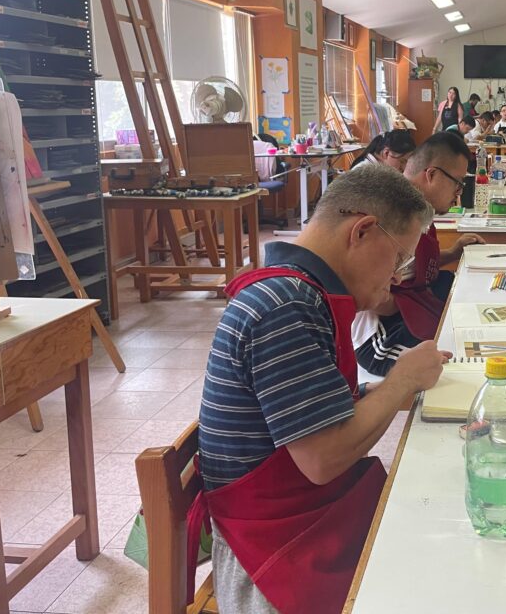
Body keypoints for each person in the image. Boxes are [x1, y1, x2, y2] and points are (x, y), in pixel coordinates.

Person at [196, 166, 448, 614]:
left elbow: (318, 415)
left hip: (303, 519)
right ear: (362, 231)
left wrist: (386, 391)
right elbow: (322, 460)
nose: (397, 278)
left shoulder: (302, 292)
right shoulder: (285, 306)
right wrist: (402, 379)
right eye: (398, 259)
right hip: (272, 555)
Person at [353, 133, 484, 379]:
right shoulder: (388, 214)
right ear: (431, 174)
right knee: (453, 361)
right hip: (381, 333)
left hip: (412, 299)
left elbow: (416, 265)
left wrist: (452, 252)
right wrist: (411, 305)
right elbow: (363, 292)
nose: (458, 193)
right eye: (457, 183)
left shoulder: (418, 208)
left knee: (464, 293)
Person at [350, 129, 416, 171]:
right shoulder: (363, 171)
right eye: (402, 161)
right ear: (386, 153)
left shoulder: (378, 169)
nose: (404, 168)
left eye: (407, 163)